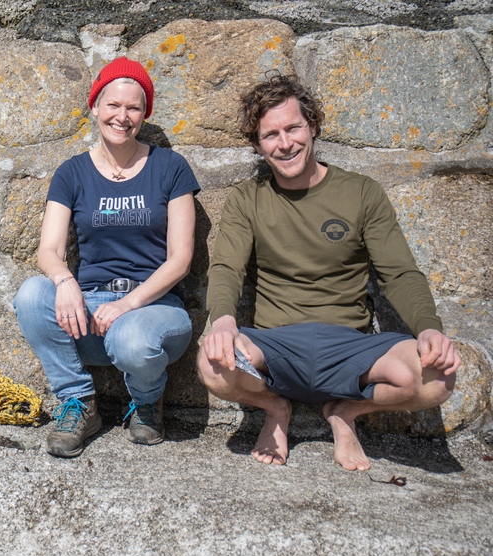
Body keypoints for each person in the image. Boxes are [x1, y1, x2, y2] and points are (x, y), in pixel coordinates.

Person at [197, 74, 459, 471]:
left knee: (438, 380)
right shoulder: (247, 199)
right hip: (276, 345)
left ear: (312, 126)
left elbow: (399, 272)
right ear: (257, 144)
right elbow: (227, 267)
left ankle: (345, 411)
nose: (285, 144)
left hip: (351, 346)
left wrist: (427, 328)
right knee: (211, 364)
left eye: (293, 128)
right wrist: (224, 322)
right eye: (271, 135)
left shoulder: (361, 192)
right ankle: (275, 407)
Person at [14, 57, 199, 458]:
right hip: (89, 311)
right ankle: (79, 403)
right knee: (31, 295)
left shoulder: (170, 167)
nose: (122, 116)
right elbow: (49, 250)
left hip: (153, 311)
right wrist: (65, 284)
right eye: (112, 105)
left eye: (133, 107)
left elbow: (180, 259)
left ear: (145, 113)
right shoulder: (72, 173)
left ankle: (148, 401)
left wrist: (128, 304)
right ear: (94, 106)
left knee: (132, 339)